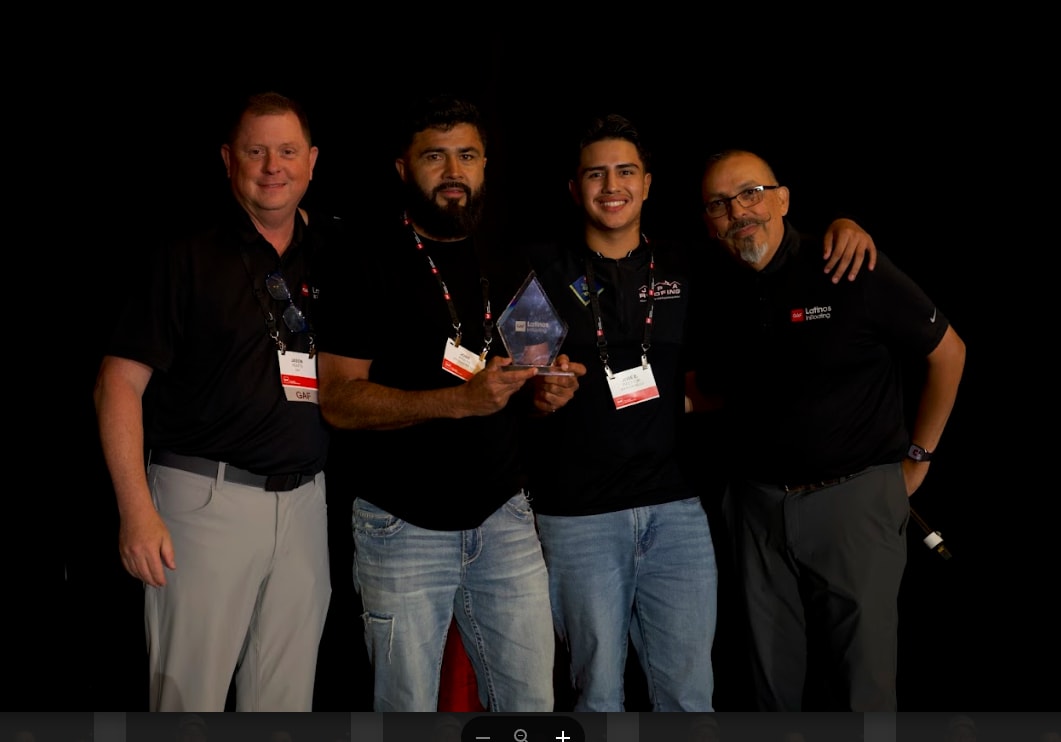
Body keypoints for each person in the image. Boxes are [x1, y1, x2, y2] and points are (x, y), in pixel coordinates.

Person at [520, 115, 878, 711]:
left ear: (649, 183)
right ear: (574, 187)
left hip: (678, 512)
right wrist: (538, 398)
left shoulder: (691, 265)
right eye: (596, 173)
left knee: (689, 698)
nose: (613, 185)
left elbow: (771, 256)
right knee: (598, 694)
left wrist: (840, 226)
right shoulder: (540, 273)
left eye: (626, 171)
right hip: (579, 516)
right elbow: (519, 391)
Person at [315, 93, 585, 712]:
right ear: (403, 169)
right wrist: (459, 402)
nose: (453, 171)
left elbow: (534, 381)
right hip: (401, 524)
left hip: (504, 519)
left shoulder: (509, 260)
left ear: (486, 166)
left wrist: (550, 390)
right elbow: (337, 400)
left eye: (467, 156)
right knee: (405, 707)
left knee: (531, 707)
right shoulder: (363, 260)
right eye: (434, 157)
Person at [691, 149, 966, 711]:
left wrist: (920, 457)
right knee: (770, 688)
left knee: (862, 691)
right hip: (757, 511)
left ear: (783, 199)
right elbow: (717, 388)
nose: (738, 211)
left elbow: (950, 354)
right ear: (708, 221)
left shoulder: (844, 261)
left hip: (852, 503)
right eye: (720, 204)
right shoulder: (716, 286)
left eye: (751, 193)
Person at [93, 91, 337, 711]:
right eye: (256, 151)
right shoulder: (187, 255)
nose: (272, 166)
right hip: (203, 504)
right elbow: (117, 384)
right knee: (189, 704)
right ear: (229, 159)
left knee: (285, 708)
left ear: (312, 161)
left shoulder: (336, 254)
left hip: (306, 506)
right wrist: (136, 510)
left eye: (286, 152)